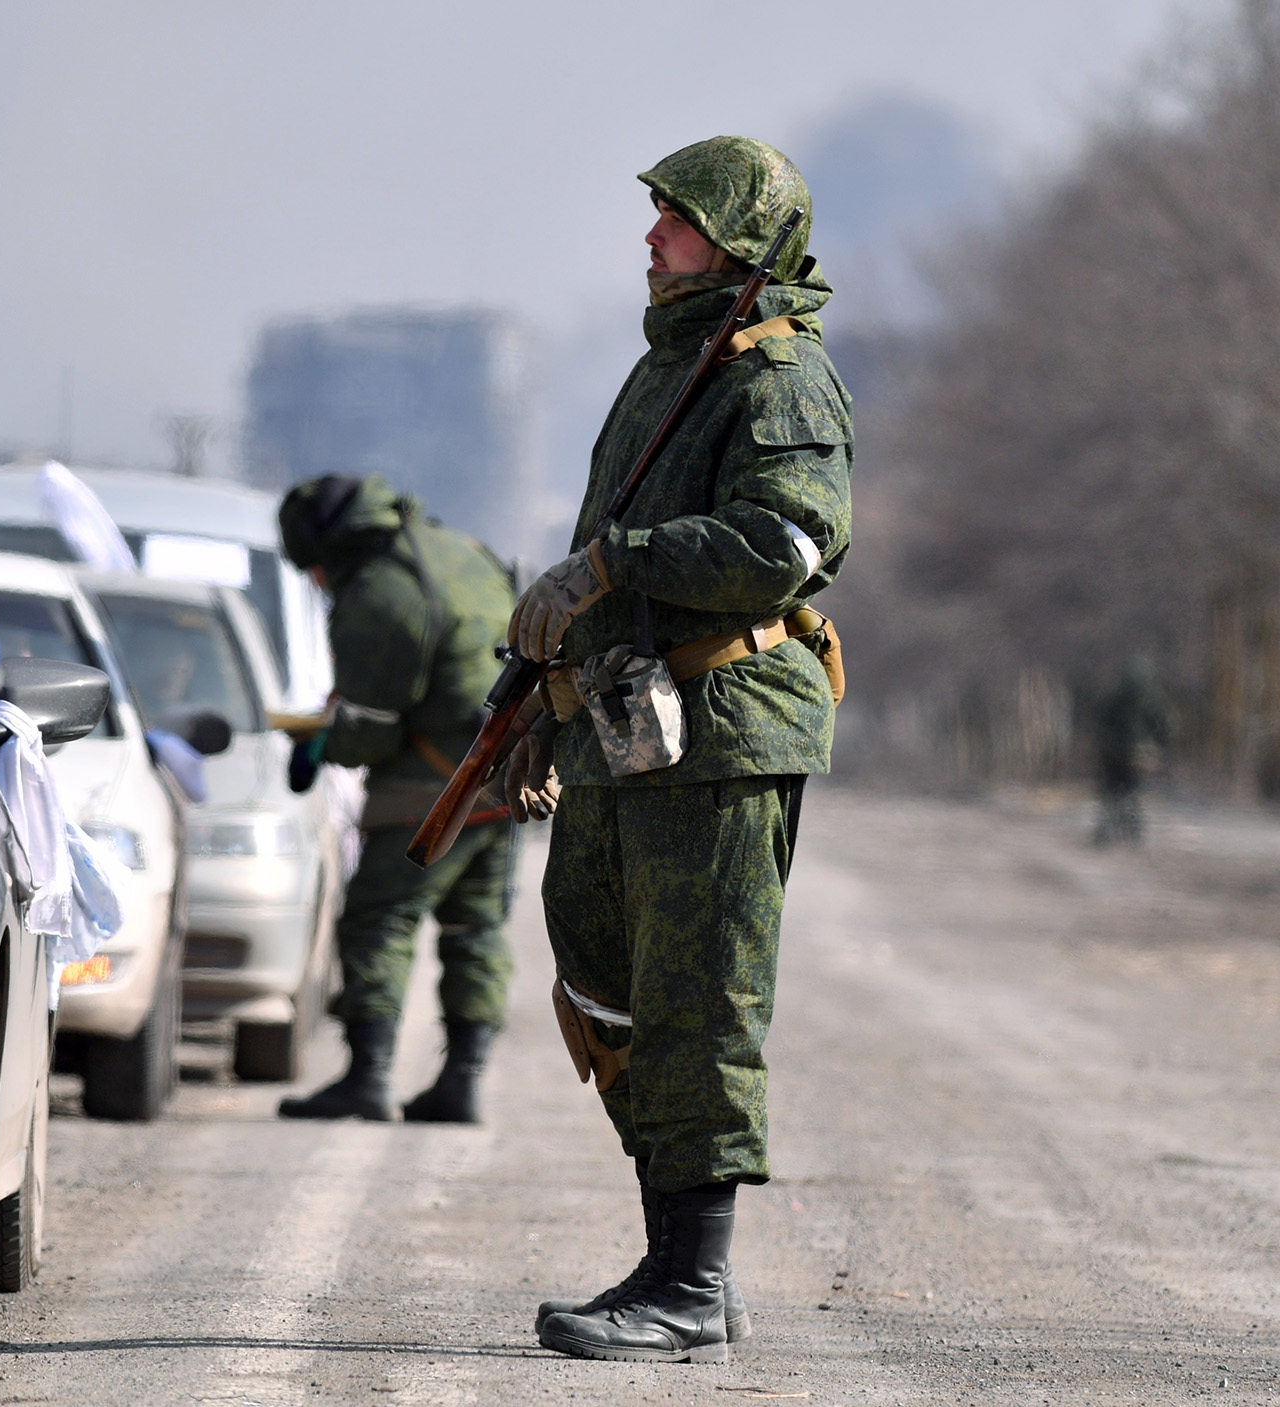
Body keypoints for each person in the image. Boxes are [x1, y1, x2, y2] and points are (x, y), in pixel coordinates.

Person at [503, 136, 851, 1363]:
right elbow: (609, 556)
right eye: (655, 216)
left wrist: (614, 564)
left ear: (741, 246)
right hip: (625, 732)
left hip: (722, 729)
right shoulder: (673, 367)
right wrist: (539, 702)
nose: (650, 238)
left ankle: (688, 1286)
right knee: (600, 975)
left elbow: (788, 540)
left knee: (698, 1000)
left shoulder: (775, 378)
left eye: (678, 219)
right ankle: (673, 1263)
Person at [275, 473, 517, 1124]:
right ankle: (462, 1083)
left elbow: (375, 725)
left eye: (315, 572)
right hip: (501, 780)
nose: (319, 585)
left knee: (378, 921)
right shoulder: (456, 550)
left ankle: (368, 1076)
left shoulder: (381, 587)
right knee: (475, 929)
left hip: (427, 792)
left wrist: (324, 741)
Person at [1092, 655, 1173, 845]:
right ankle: (1132, 834)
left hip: (1115, 754)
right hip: (1138, 754)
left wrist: (1105, 744)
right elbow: (1165, 726)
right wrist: (1157, 747)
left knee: (1111, 793)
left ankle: (1106, 835)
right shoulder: (1151, 698)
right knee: (1131, 793)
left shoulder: (1116, 696)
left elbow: (1101, 722)